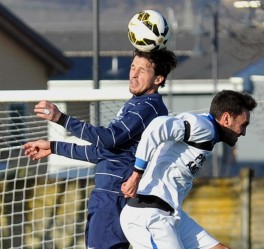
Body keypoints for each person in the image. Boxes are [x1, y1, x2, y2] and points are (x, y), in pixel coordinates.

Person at [22, 48, 177, 249]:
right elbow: (101, 152)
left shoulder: (148, 107)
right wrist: (53, 147)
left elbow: (107, 139)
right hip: (107, 196)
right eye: (132, 67)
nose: (134, 74)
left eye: (143, 70)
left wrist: (61, 118)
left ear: (158, 79)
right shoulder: (138, 104)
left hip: (114, 196)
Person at [120, 90, 257, 249]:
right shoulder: (204, 127)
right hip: (148, 215)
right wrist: (136, 174)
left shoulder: (206, 131)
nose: (244, 132)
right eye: (243, 124)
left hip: (171, 214)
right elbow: (157, 126)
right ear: (226, 118)